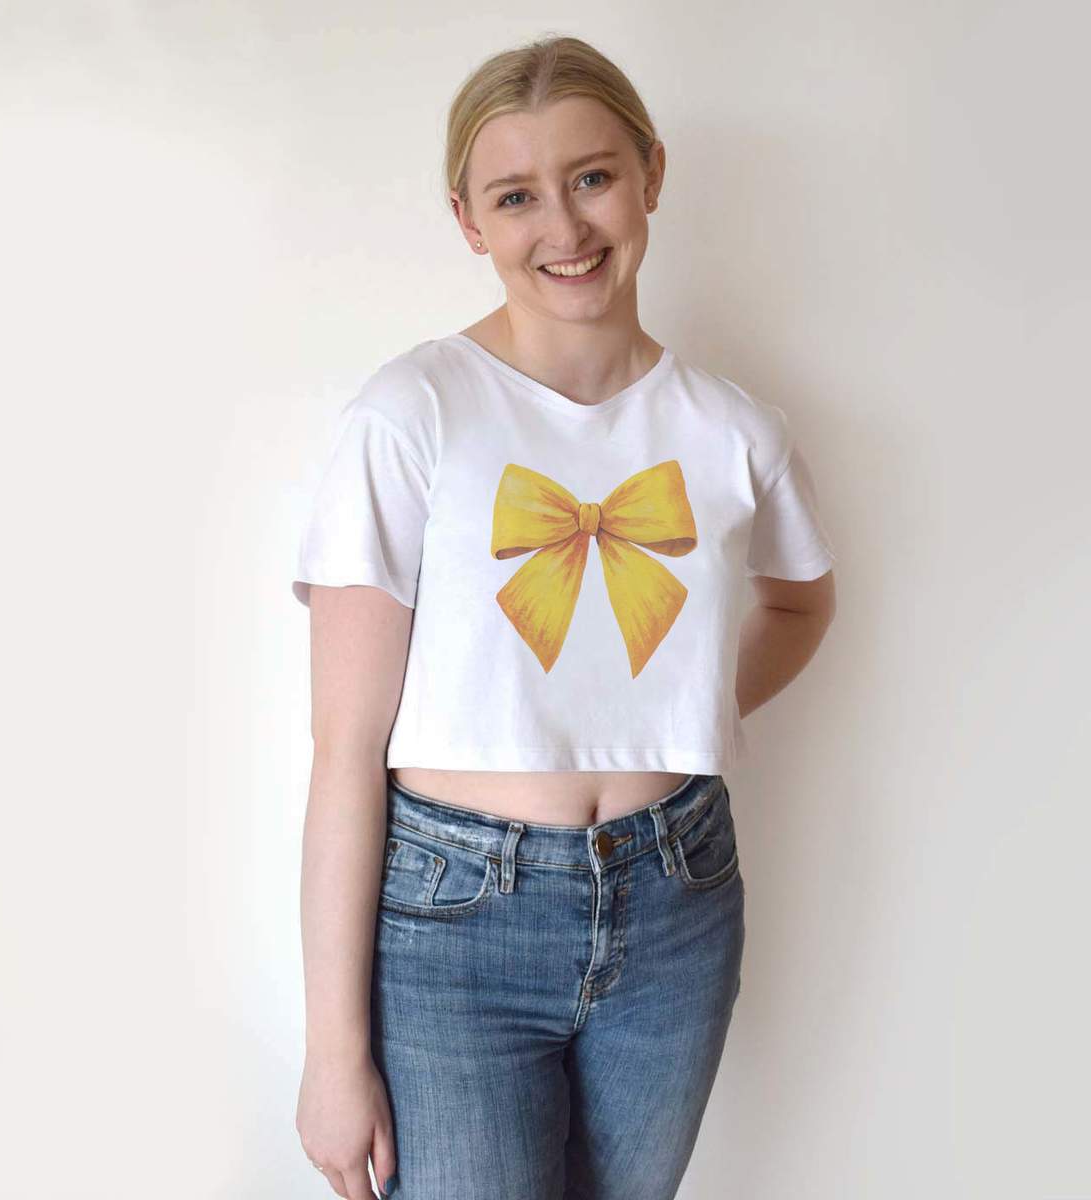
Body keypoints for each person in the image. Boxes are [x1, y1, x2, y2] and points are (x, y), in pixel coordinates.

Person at [291, 34, 838, 1200]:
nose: (565, 226)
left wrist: (678, 703)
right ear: (467, 220)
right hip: (454, 920)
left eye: (592, 177)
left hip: (680, 900)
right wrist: (332, 1053)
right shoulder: (411, 414)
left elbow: (801, 600)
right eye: (516, 196)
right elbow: (344, 750)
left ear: (650, 172)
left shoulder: (734, 429)